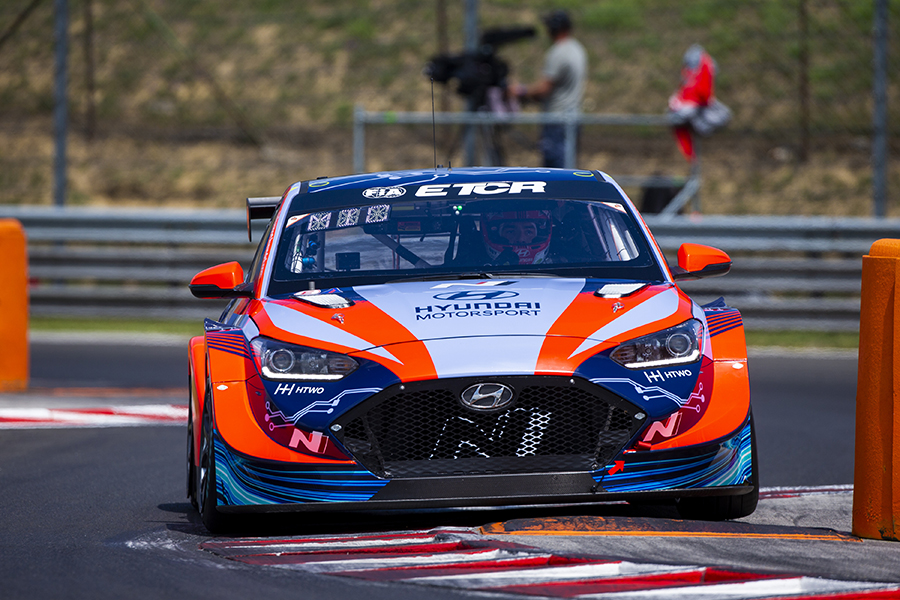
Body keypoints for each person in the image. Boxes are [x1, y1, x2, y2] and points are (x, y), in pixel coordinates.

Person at [512, 10, 588, 168]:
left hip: (557, 119)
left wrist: (520, 91)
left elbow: (544, 89)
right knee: (568, 166)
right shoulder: (577, 49)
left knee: (555, 169)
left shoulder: (559, 52)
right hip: (572, 116)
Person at [481, 210, 552, 265]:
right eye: (510, 232)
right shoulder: (472, 266)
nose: (520, 239)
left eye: (528, 232)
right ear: (496, 235)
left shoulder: (560, 265)